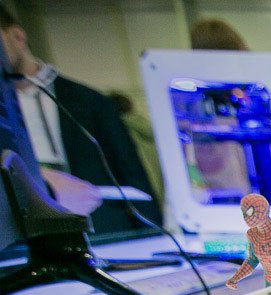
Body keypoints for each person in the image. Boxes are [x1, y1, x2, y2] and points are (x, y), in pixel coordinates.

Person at [0, 5, 162, 235]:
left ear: (17, 37)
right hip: (29, 239)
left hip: (104, 233)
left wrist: (152, 236)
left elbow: (132, 175)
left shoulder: (92, 102)